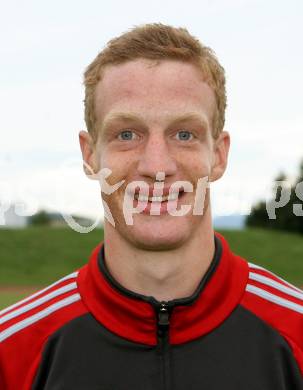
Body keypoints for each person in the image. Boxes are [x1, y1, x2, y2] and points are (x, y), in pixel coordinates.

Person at [0, 23, 302, 390]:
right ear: (90, 154)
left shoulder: (295, 335)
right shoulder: (11, 353)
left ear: (219, 155)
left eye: (184, 134)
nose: (157, 166)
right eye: (127, 134)